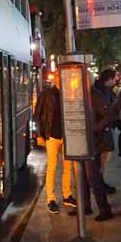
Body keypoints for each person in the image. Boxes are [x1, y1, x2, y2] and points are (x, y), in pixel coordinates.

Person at [34, 84, 75, 214]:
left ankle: (67, 195)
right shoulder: (47, 93)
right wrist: (40, 134)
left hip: (66, 134)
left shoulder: (70, 91)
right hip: (51, 135)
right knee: (52, 167)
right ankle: (51, 199)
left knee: (67, 166)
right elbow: (38, 112)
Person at [94, 69, 118, 194]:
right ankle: (99, 185)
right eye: (114, 79)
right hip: (103, 132)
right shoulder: (102, 92)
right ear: (108, 79)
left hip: (102, 130)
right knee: (101, 162)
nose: (115, 81)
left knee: (100, 161)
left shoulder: (100, 89)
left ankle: (100, 183)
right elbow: (107, 112)